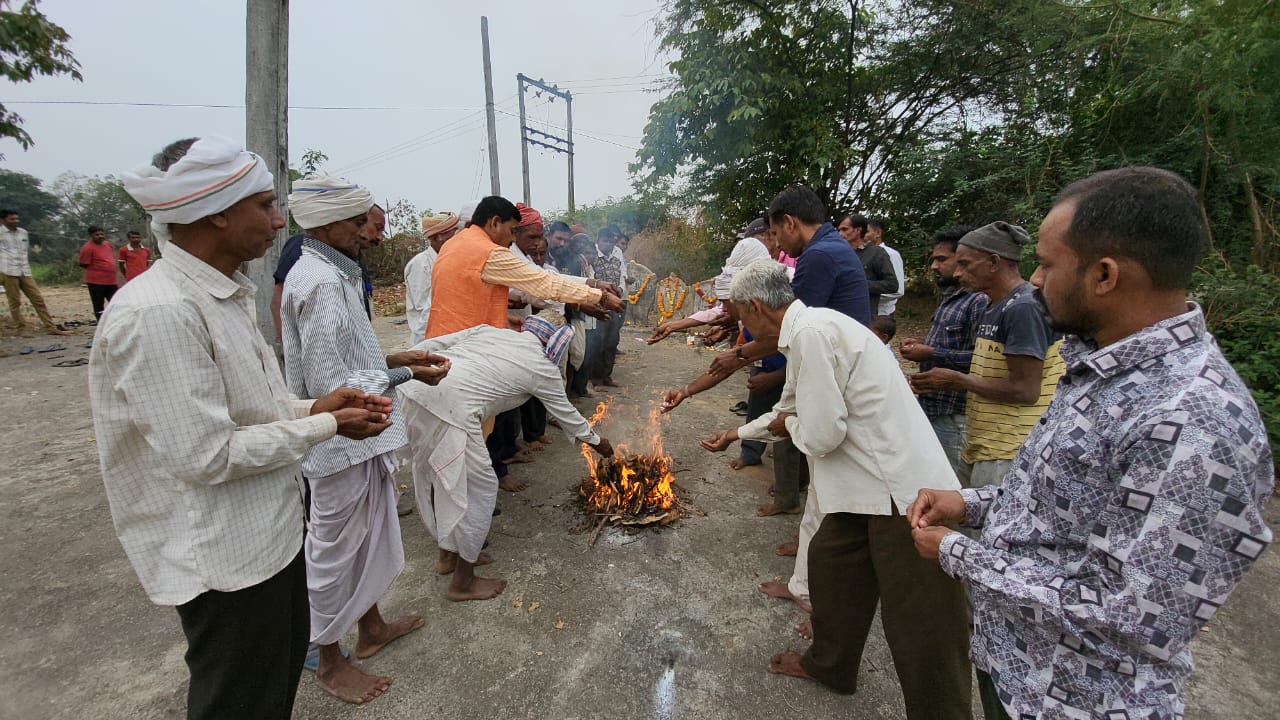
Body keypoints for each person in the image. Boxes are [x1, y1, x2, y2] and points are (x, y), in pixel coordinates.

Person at [908, 166, 1275, 720]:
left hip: (1076, 699)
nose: (1033, 279)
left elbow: (1132, 618)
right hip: (1019, 669)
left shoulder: (1195, 422)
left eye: (1048, 264)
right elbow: (1060, 501)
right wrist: (971, 503)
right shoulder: (1102, 369)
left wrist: (959, 552)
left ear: (1104, 275)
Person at [100, 135, 395, 720]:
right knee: (240, 699)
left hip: (269, 537)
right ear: (215, 213)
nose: (278, 220)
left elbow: (254, 409)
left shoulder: (222, 296)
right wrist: (326, 425)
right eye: (264, 206)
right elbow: (205, 455)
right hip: (224, 560)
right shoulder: (158, 312)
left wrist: (311, 409)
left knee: (271, 686)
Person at [700, 260, 971, 720]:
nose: (738, 327)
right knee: (831, 567)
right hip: (859, 487)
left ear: (757, 306)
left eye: (737, 314)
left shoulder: (813, 335)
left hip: (900, 492)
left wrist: (791, 424)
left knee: (922, 624)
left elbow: (821, 433)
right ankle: (831, 665)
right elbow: (790, 409)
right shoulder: (810, 331)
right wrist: (738, 433)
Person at [281, 176, 450, 705]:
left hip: (358, 435)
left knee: (362, 539)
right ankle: (328, 659)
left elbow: (354, 358)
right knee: (334, 549)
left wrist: (399, 359)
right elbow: (336, 388)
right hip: (341, 441)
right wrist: (408, 376)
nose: (368, 234)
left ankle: (371, 628)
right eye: (359, 223)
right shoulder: (322, 282)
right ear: (327, 224)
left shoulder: (329, 272)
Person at [400, 310, 614, 601]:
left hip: (414, 391)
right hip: (452, 407)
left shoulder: (490, 330)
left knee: (441, 477)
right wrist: (599, 443)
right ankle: (463, 581)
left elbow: (434, 344)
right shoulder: (542, 367)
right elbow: (569, 416)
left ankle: (448, 556)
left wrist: (399, 369)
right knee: (482, 487)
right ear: (557, 345)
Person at [909, 221, 1064, 488]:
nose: (957, 274)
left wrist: (957, 380)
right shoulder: (994, 305)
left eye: (965, 264)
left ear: (993, 262)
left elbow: (1026, 390)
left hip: (1009, 449)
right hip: (984, 445)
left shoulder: (1023, 308)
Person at [899, 225, 987, 476]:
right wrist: (921, 344)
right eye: (933, 260)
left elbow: (983, 360)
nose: (934, 266)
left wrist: (931, 353)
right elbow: (952, 343)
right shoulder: (951, 297)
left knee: (954, 486)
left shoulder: (978, 301)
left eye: (942, 259)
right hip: (935, 408)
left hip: (955, 414)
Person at [271, 203, 385, 338]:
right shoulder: (302, 247)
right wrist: (288, 347)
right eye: (377, 228)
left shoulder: (352, 256)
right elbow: (280, 301)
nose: (379, 237)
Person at [0, 209, 66, 336]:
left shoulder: (23, 233)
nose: (15, 221)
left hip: (24, 270)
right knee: (15, 301)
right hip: (7, 270)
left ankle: (50, 327)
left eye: (16, 219)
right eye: (11, 219)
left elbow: (25, 251)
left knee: (38, 299)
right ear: (2, 220)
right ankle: (21, 329)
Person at [404, 211, 460, 345]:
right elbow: (424, 307)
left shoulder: (450, 259)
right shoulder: (420, 264)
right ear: (436, 238)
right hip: (427, 339)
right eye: (452, 235)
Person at [588, 225, 628, 389]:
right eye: (605, 241)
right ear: (598, 241)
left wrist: (620, 290)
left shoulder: (617, 257)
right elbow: (590, 280)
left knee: (612, 340)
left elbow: (622, 277)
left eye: (611, 242)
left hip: (614, 304)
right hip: (597, 305)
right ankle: (596, 378)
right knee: (598, 340)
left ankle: (607, 376)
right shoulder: (592, 257)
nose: (608, 245)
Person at [838, 213, 897, 314]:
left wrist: (861, 283)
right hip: (840, 313)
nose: (840, 234)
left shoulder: (876, 253)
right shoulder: (839, 253)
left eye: (845, 229)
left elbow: (892, 284)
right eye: (839, 230)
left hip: (864, 316)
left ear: (858, 230)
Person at [78, 226, 118, 321]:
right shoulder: (88, 248)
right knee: (98, 304)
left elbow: (112, 257)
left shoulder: (108, 244)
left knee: (116, 302)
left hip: (112, 280)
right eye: (97, 235)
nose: (100, 236)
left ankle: (115, 321)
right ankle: (101, 323)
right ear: (91, 235)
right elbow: (83, 263)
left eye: (102, 234)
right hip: (96, 281)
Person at [866, 219, 904, 315]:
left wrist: (868, 294)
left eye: (866, 232)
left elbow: (898, 290)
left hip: (881, 314)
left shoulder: (891, 254)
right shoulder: (862, 254)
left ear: (878, 233)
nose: (862, 236)